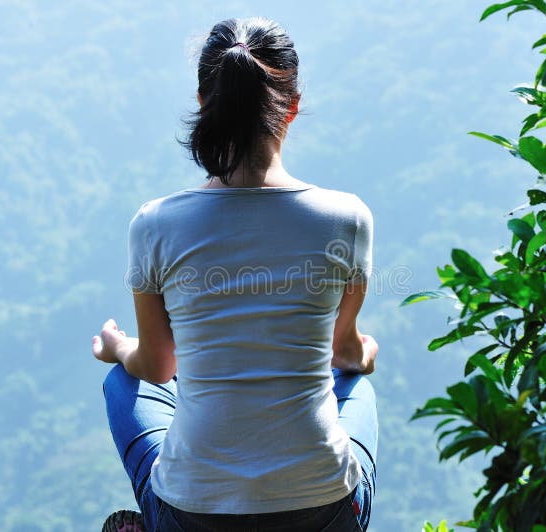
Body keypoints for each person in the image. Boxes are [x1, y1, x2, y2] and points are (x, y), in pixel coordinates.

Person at [92, 17, 378, 532]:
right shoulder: (347, 218)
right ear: (291, 106)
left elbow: (158, 366)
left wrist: (116, 346)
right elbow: (344, 353)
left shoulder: (155, 223)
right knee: (357, 386)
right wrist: (366, 352)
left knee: (122, 382)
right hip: (322, 509)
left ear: (205, 104)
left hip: (194, 511)